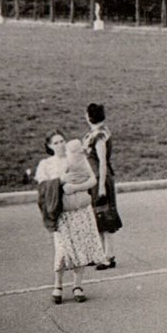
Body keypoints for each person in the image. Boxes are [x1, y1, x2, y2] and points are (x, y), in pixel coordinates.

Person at [35, 129, 106, 304]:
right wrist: (60, 180)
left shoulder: (75, 157)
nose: (59, 145)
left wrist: (76, 188)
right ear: (49, 146)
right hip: (60, 211)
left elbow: (92, 179)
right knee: (62, 248)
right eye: (55, 142)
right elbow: (43, 188)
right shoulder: (45, 164)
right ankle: (57, 285)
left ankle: (77, 285)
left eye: (62, 141)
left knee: (80, 247)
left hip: (80, 210)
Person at [82, 103, 122, 270]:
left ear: (89, 117)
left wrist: (101, 187)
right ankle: (99, 254)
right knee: (96, 219)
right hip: (93, 179)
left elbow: (103, 162)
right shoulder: (97, 132)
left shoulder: (99, 136)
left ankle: (109, 256)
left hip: (100, 179)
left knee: (105, 218)